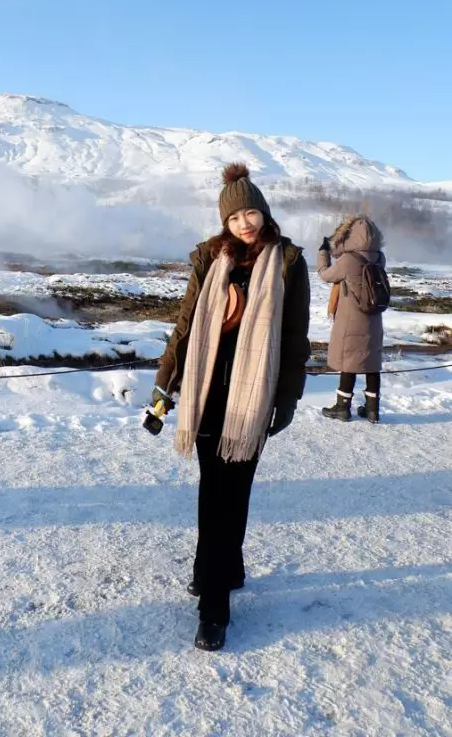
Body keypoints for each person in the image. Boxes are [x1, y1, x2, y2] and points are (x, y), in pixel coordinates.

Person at [151, 163, 311, 652]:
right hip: (208, 393)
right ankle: (219, 568)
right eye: (236, 215)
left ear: (264, 211)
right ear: (225, 220)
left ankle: (214, 607)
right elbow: (185, 326)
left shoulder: (287, 261)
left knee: (232, 491)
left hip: (253, 395)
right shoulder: (208, 257)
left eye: (252, 212)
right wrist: (164, 387)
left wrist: (287, 397)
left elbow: (294, 336)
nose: (245, 222)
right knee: (211, 489)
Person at [318, 215, 386, 423]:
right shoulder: (380, 258)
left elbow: (325, 275)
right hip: (374, 320)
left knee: (350, 362)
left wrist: (324, 252)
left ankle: (342, 407)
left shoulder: (347, 260)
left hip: (350, 321)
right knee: (371, 363)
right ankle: (372, 410)